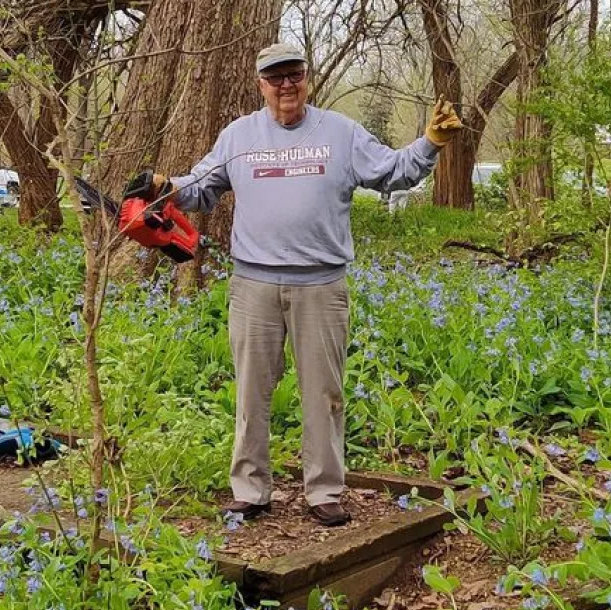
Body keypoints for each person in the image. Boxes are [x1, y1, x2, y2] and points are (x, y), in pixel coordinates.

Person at [149, 42, 463, 527]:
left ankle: (324, 491)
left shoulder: (339, 132)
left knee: (324, 394)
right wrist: (163, 187)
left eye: (294, 74)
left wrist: (431, 144)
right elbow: (200, 187)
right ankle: (250, 490)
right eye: (275, 78)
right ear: (261, 85)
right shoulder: (238, 136)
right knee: (251, 394)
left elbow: (392, 173)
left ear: (306, 77)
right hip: (253, 285)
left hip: (322, 286)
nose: (286, 85)